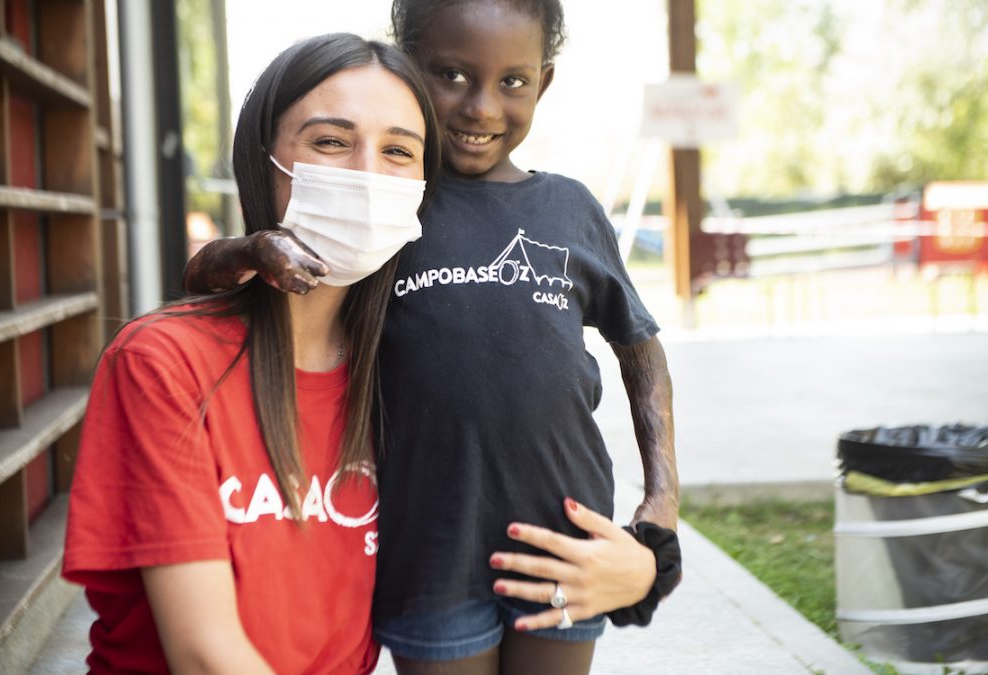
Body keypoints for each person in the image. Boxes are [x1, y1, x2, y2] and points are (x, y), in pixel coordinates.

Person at [183, 2, 682, 673]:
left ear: (545, 81)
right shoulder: (385, 204)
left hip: (565, 541)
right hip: (427, 549)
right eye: (450, 74)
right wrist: (256, 247)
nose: (480, 107)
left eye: (513, 81)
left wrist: (662, 499)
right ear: (410, 66)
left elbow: (639, 342)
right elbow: (205, 274)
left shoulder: (570, 207)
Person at [63, 34, 444, 674]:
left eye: (398, 152)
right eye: (329, 142)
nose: (368, 175)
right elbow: (205, 655)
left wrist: (635, 565)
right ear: (261, 159)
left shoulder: (408, 371)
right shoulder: (163, 362)